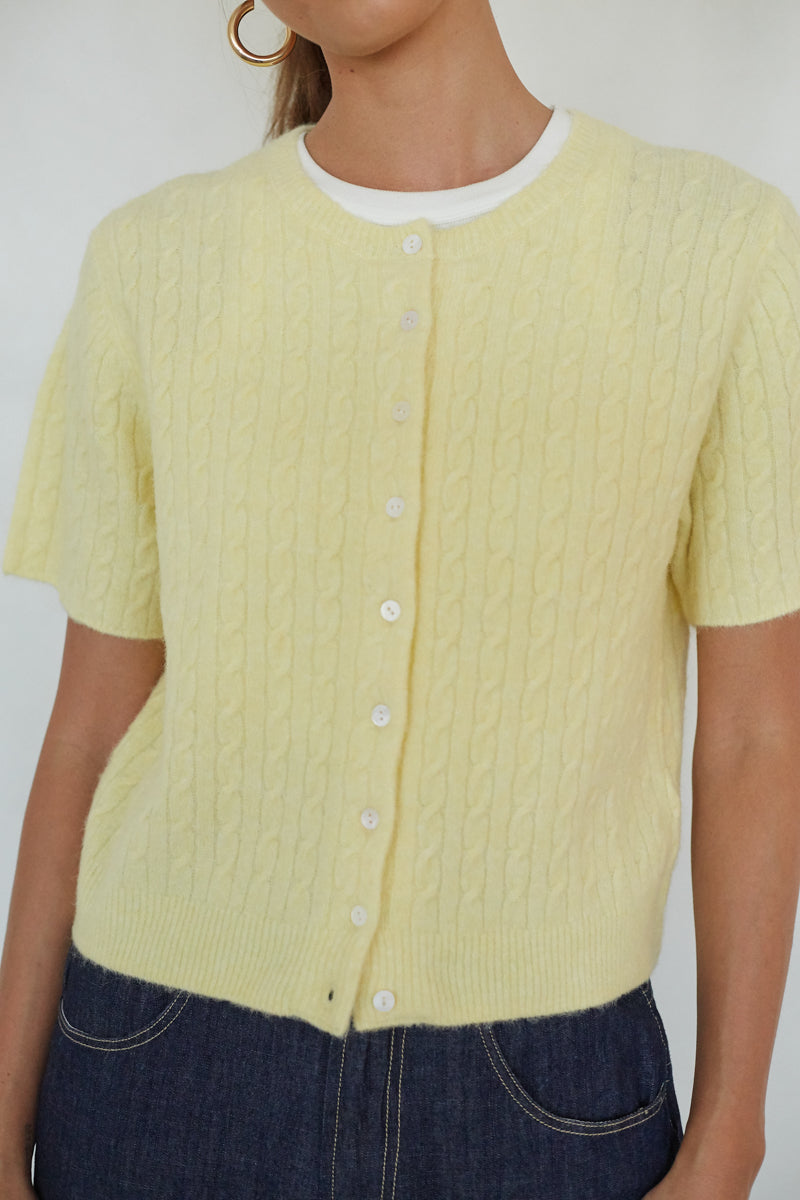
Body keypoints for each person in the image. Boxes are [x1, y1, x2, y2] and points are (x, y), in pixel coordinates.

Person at [2, 2, 799, 1197]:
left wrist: (732, 1133)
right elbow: (87, 730)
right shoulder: (155, 259)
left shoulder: (715, 246)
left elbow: (752, 735)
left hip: (545, 1098)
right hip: (157, 1070)